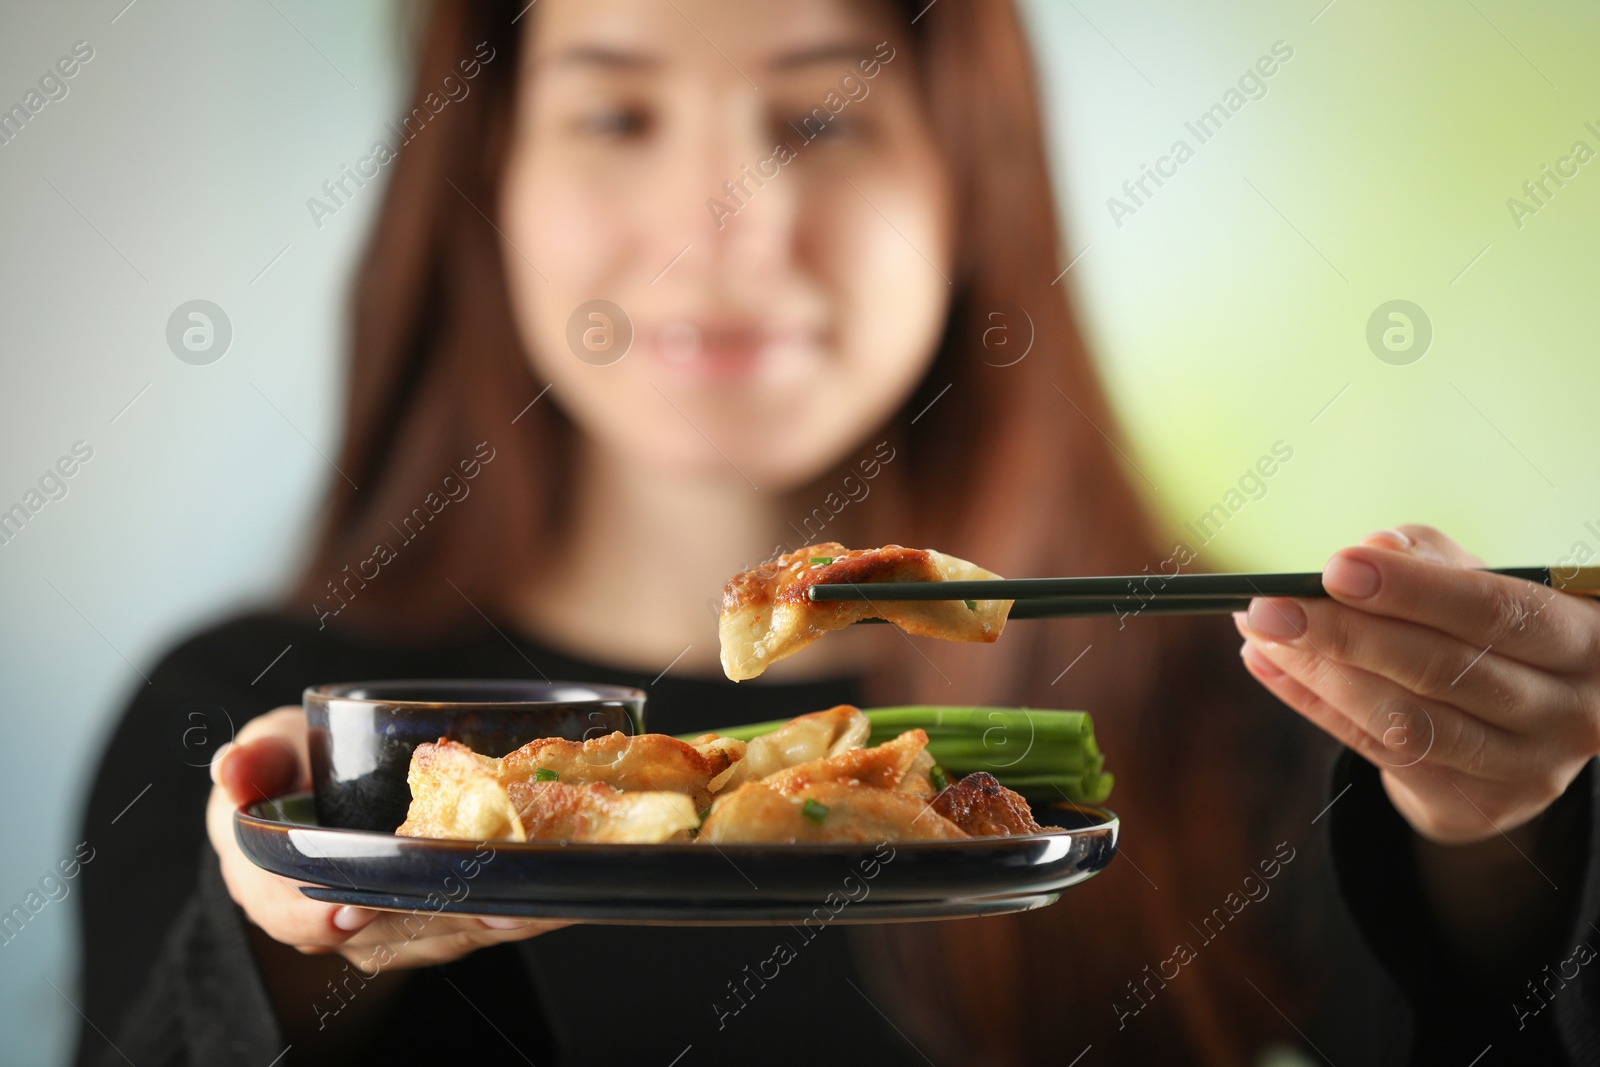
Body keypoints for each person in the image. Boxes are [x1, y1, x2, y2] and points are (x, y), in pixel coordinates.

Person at [75, 1, 1600, 1064]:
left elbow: (1480, 1020)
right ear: (487, 176)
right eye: (615, 109)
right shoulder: (261, 721)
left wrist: (1491, 831)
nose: (727, 221)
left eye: (824, 115)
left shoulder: (1221, 691)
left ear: (965, 183)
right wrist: (296, 929)